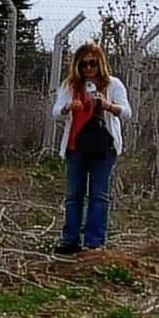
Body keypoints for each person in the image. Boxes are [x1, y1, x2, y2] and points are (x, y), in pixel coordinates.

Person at [50, 42, 131, 254]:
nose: (88, 69)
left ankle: (94, 242)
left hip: (103, 147)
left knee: (99, 195)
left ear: (100, 64)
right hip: (76, 146)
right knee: (73, 195)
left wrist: (108, 106)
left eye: (93, 64)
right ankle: (70, 240)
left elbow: (127, 113)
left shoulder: (112, 85)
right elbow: (56, 112)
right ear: (78, 65)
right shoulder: (70, 86)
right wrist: (69, 107)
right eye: (84, 64)